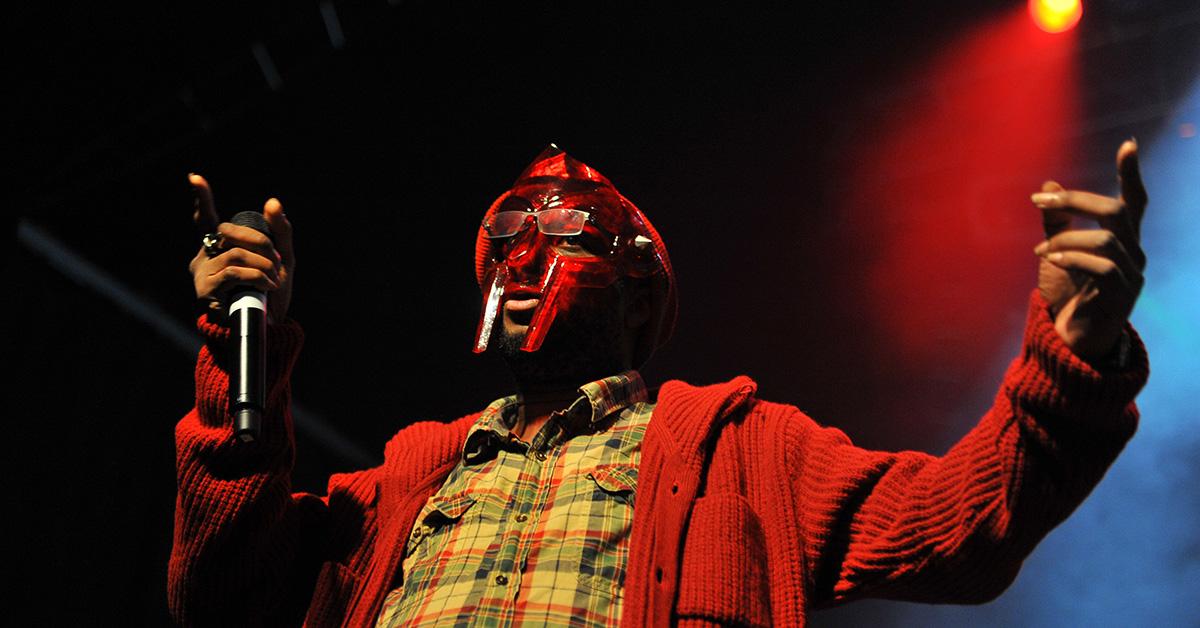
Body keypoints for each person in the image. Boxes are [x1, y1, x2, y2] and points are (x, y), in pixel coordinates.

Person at [169, 142, 1149, 627]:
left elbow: (955, 527)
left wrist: (1073, 348)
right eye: (506, 240)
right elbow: (222, 595)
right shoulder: (409, 474)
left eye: (559, 235)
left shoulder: (744, 448)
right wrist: (240, 338)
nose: (521, 259)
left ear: (642, 293)